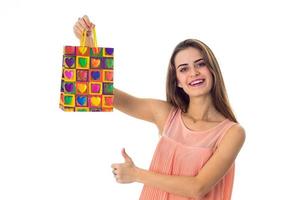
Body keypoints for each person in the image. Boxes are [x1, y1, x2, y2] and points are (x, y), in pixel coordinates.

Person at [74, 15, 246, 200]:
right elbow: (104, 94)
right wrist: (89, 46)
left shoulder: (232, 133)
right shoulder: (165, 115)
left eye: (200, 64)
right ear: (178, 82)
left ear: (212, 70)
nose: (194, 72)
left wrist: (136, 174)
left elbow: (197, 188)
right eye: (183, 69)